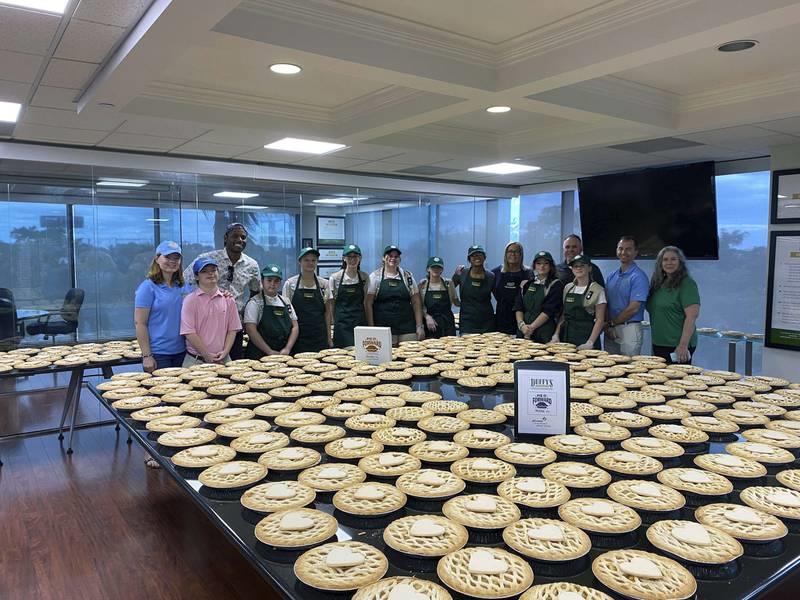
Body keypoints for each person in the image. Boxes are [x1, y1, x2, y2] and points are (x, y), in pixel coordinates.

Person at [184, 223, 260, 360]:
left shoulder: (252, 265)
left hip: (234, 325)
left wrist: (245, 314)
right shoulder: (208, 258)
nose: (240, 240)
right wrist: (200, 296)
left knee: (232, 367)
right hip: (208, 324)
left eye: (243, 237)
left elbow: (255, 292)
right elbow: (185, 280)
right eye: (235, 236)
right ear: (226, 238)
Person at [134, 241, 192, 373]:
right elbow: (140, 323)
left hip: (183, 352)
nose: (172, 261)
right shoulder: (147, 288)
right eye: (167, 257)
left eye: (176, 258)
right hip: (159, 355)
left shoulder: (184, 287)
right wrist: (147, 356)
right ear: (157, 259)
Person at [180, 258, 241, 366]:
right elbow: (189, 332)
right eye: (204, 271)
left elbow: (232, 329)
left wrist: (225, 352)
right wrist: (206, 354)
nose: (210, 274)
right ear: (196, 276)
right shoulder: (190, 301)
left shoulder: (228, 299)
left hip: (224, 359)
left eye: (213, 270)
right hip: (196, 361)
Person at [647, 246, 700, 364]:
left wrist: (683, 345)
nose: (669, 263)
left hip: (678, 345)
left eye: (673, 259)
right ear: (660, 263)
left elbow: (692, 316)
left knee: (677, 381)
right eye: (665, 260)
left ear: (680, 262)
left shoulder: (687, 284)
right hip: (659, 344)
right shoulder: (657, 284)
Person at [365, 245, 425, 344]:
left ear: (399, 259)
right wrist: (372, 328)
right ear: (383, 258)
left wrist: (419, 326)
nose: (393, 258)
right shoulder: (375, 277)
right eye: (390, 255)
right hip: (383, 328)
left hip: (407, 327)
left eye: (396, 256)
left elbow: (416, 302)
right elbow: (368, 303)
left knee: (410, 356)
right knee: (387, 358)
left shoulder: (407, 276)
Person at [604, 235, 649, 356]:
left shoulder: (639, 277)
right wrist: (608, 326)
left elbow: (633, 308)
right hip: (610, 329)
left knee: (629, 369)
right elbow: (606, 303)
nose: (623, 252)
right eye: (620, 248)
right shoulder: (611, 276)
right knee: (609, 367)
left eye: (628, 249)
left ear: (635, 252)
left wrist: (612, 323)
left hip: (629, 329)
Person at [283, 247, 332, 354]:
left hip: (319, 336)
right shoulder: (290, 284)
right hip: (298, 337)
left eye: (313, 260)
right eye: (306, 260)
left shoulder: (324, 284)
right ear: (299, 262)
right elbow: (287, 313)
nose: (310, 263)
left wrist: (329, 338)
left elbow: (328, 313)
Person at [243, 264, 299, 358]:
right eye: (269, 280)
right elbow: (251, 330)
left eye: (276, 281)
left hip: (282, 353)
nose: (272, 284)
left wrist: (288, 348)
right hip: (259, 354)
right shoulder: (255, 303)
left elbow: (295, 327)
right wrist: (269, 351)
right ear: (262, 281)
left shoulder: (286, 301)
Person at [553, 254, 606, 349]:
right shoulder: (568, 288)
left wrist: (590, 342)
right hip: (568, 337)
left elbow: (600, 320)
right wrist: (556, 334)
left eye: (582, 265)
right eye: (575, 266)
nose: (578, 268)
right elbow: (564, 315)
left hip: (587, 337)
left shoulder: (598, 290)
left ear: (589, 268)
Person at [514, 251, 563, 343]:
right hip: (523, 331)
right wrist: (521, 325)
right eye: (539, 263)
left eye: (546, 263)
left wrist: (531, 328)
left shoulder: (556, 285)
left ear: (551, 266)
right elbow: (518, 306)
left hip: (543, 332)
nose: (542, 266)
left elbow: (548, 311)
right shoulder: (527, 284)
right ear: (534, 266)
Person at [327, 243, 368, 348]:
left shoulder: (364, 277)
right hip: (342, 324)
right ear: (344, 258)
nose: (352, 259)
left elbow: (366, 302)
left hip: (360, 322)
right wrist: (333, 324)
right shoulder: (335, 278)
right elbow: (331, 303)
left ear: (360, 258)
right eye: (349, 257)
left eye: (355, 256)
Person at [452, 245, 495, 334]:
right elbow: (449, 289)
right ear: (469, 259)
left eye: (479, 254)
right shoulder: (462, 274)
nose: (477, 257)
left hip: (487, 322)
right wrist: (456, 301)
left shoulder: (491, 276)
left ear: (484, 257)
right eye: (473, 255)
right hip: (467, 322)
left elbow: (500, 296)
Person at [491, 242, 532, 334]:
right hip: (502, 316)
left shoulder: (528, 273)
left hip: (523, 318)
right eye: (510, 251)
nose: (513, 254)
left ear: (521, 254)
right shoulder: (496, 272)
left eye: (516, 251)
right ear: (505, 254)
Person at [419, 256, 459, 338]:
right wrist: (427, 317)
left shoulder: (448, 283)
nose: (436, 269)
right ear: (428, 269)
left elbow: (456, 302)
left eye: (438, 267)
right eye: (433, 267)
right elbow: (418, 306)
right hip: (430, 324)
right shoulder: (422, 285)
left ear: (442, 269)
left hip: (447, 323)